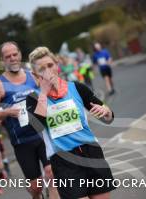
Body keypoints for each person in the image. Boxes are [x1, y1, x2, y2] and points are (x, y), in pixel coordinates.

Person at [27, 47, 116, 199]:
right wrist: (43, 92)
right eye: (42, 69)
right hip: (64, 160)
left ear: (57, 65)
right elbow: (38, 126)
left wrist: (107, 113)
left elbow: (107, 116)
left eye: (50, 65)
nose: (48, 71)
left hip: (91, 153)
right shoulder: (33, 99)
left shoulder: (77, 88)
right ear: (35, 75)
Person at [0, 41, 59, 199]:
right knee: (36, 187)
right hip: (22, 141)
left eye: (15, 54)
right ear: (2, 60)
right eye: (8, 56)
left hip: (43, 134)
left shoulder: (33, 75)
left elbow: (49, 93)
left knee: (51, 173)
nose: (12, 58)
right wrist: (7, 112)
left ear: (20, 55)